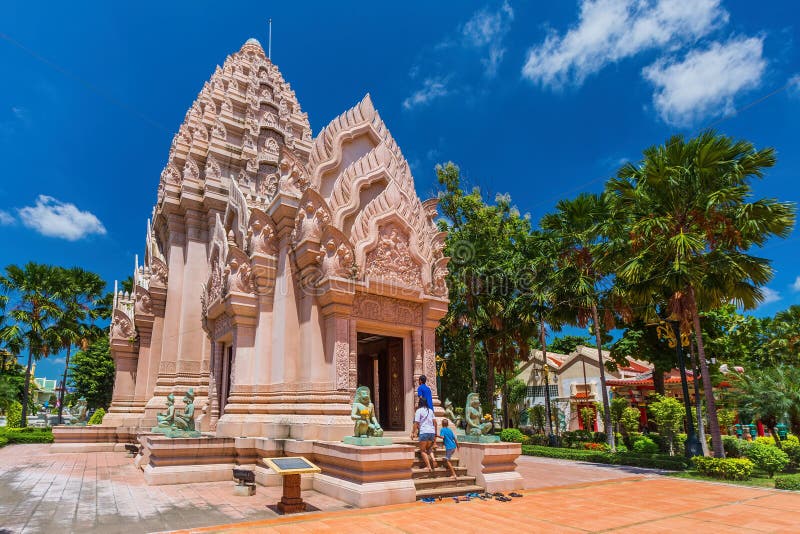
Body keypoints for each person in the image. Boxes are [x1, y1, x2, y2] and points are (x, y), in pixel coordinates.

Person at [411, 396, 438, 475]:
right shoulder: (430, 411)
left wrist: (413, 432)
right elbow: (435, 423)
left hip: (424, 432)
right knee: (429, 448)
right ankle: (433, 459)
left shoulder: (419, 411)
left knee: (422, 450)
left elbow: (416, 423)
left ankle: (428, 466)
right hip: (431, 432)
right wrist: (435, 433)